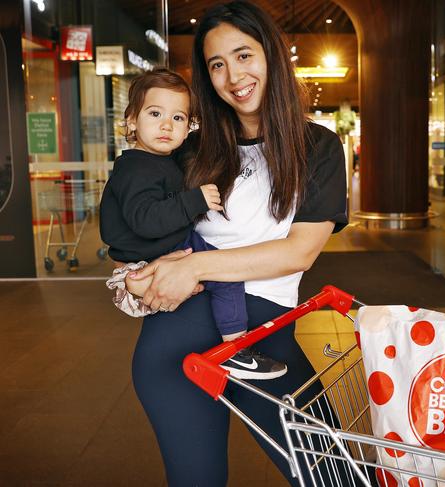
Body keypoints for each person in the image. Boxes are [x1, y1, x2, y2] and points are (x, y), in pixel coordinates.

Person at [124, 2, 347, 486]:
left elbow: (299, 252)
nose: (233, 76)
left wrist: (196, 268)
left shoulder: (318, 148)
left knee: (333, 473)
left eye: (243, 55)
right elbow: (139, 216)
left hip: (263, 340)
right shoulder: (190, 148)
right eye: (217, 64)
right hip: (175, 345)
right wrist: (136, 273)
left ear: (270, 55)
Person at [100, 68, 287, 380]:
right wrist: (194, 201)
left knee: (215, 274)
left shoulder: (159, 161)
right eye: (155, 113)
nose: (166, 125)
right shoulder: (136, 169)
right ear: (131, 120)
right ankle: (235, 349)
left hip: (163, 246)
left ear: (188, 128)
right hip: (155, 248)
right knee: (226, 276)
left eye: (178, 118)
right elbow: (145, 219)